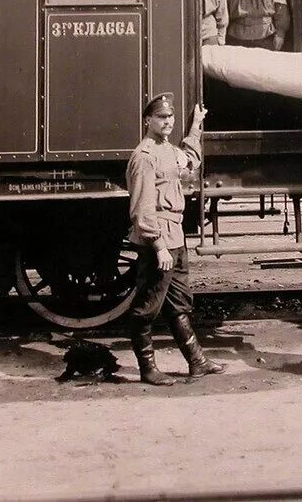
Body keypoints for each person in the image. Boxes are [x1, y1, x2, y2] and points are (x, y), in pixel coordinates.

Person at [125, 92, 225, 385]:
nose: (167, 122)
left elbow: (190, 159)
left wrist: (196, 126)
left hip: (176, 238)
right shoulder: (144, 157)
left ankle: (198, 362)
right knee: (147, 307)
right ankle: (148, 370)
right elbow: (142, 209)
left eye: (170, 118)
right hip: (160, 242)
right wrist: (158, 247)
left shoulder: (167, 150)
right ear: (148, 120)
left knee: (178, 303)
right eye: (161, 117)